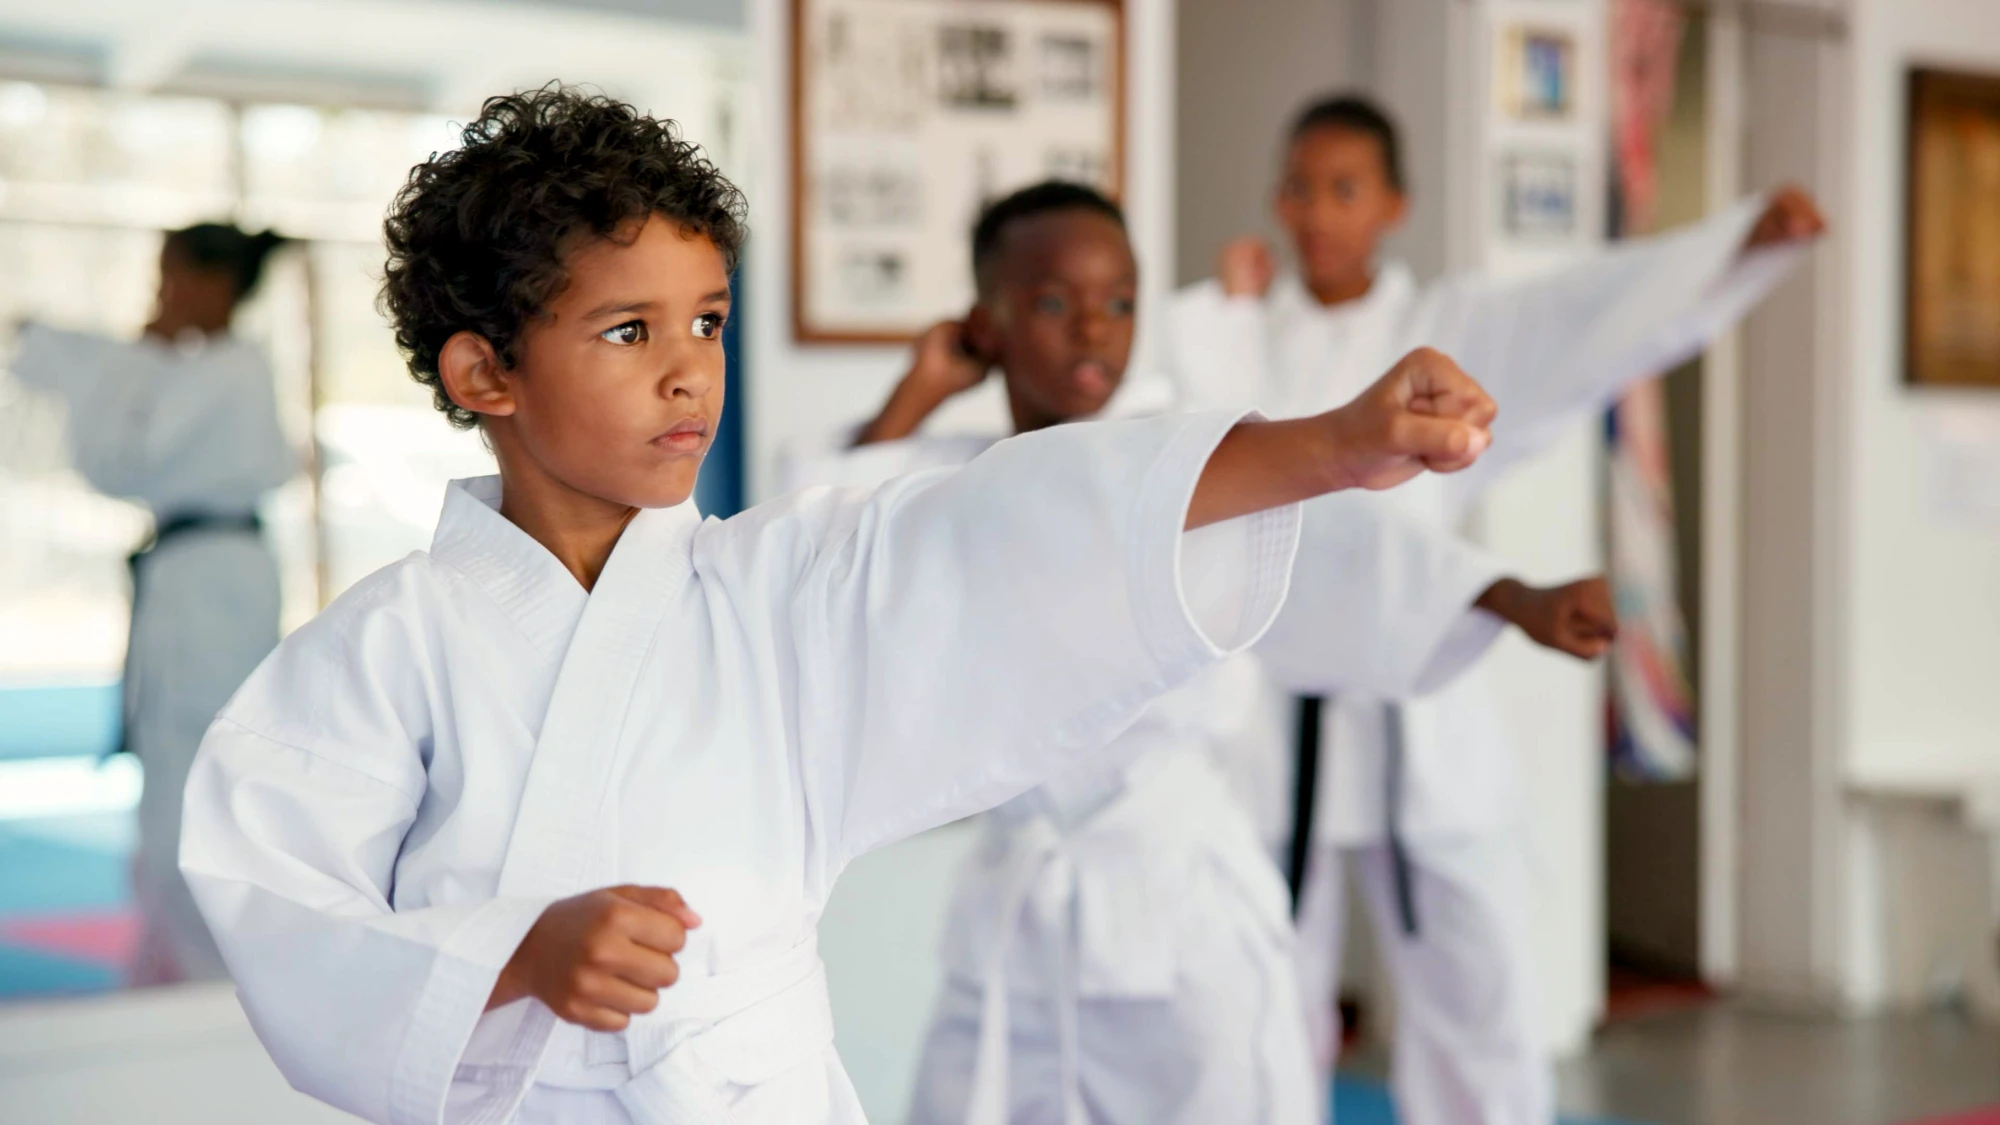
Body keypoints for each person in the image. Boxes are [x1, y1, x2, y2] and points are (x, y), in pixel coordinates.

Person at [177, 87, 1503, 1125]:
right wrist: (513, 958)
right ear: (485, 371)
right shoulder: (384, 650)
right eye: (630, 333)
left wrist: (1332, 444)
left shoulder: (772, 588)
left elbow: (1011, 531)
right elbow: (277, 893)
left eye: (707, 321)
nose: (691, 372)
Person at [787, 181, 1621, 1125]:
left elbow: (1337, 545)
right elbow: (824, 548)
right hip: (1020, 927)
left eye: (1120, 303)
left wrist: (1507, 595)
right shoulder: (955, 477)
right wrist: (923, 385)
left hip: (1182, 911)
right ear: (990, 321)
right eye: (1055, 304)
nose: (1093, 331)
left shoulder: (1182, 458)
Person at [1167, 93, 1826, 1125]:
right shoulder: (1240, 333)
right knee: (1253, 987)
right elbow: (1160, 424)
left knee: (1474, 983)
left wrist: (1735, 244)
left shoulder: (1444, 329)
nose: (1316, 214)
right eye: (1297, 188)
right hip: (1269, 696)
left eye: (1343, 189)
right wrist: (1220, 307)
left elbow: (1587, 313)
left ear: (1393, 203)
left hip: (1416, 688)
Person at [11, 222, 295, 985]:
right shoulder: (203, 369)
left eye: (169, 279)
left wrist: (139, 354)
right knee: (178, 763)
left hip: (211, 584)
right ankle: (173, 959)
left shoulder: (228, 372)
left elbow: (119, 457)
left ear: (210, 285)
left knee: (194, 763)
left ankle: (208, 969)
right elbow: (98, 373)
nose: (159, 298)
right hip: (199, 574)